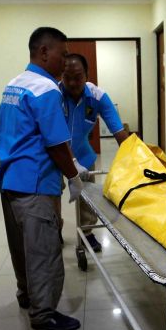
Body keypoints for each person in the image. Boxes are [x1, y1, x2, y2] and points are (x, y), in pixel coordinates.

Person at [0, 27, 86, 330]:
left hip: (9, 180)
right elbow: (56, 143)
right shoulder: (46, 89)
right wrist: (74, 176)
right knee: (44, 249)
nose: (65, 61)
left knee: (21, 246)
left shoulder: (14, 84)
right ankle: (43, 312)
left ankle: (26, 295)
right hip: (35, 183)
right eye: (62, 53)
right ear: (44, 52)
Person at [60, 53, 129, 252]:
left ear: (87, 75)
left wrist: (133, 161)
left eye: (78, 77)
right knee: (52, 195)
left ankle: (87, 232)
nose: (72, 83)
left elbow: (119, 132)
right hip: (55, 154)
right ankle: (55, 228)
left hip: (82, 154)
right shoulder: (54, 94)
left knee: (86, 195)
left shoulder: (98, 96)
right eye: (67, 77)